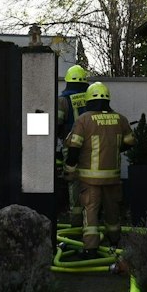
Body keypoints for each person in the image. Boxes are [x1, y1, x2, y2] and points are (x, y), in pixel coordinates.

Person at [64, 81, 133, 253]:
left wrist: (70, 169)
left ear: (89, 100)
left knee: (91, 212)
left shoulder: (84, 120)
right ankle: (114, 243)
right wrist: (114, 149)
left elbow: (74, 147)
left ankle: (91, 248)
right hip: (113, 177)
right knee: (112, 211)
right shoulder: (120, 119)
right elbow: (130, 141)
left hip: (89, 178)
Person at [55, 63, 90, 222]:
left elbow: (57, 123)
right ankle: (90, 217)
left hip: (71, 147)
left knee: (74, 182)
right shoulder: (91, 99)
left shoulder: (63, 100)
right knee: (91, 182)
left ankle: (76, 220)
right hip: (91, 147)